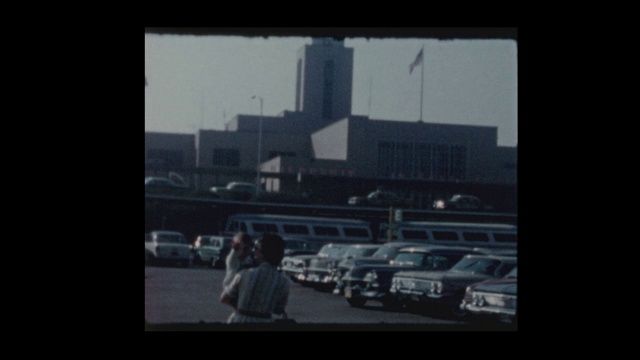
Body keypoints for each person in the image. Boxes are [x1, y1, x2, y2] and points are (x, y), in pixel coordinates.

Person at [220, 233, 291, 323]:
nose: (254, 251)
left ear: (262, 254)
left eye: (256, 249)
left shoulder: (244, 274)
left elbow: (224, 298)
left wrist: (242, 307)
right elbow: (278, 309)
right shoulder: (284, 281)